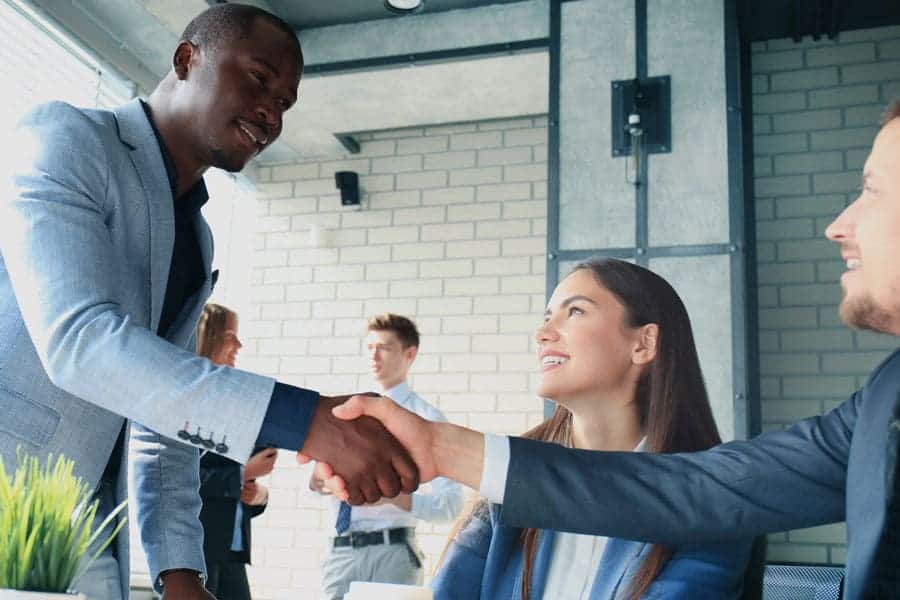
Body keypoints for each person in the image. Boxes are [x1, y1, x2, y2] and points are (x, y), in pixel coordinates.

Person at [309, 99, 900, 600]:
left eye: (871, 190)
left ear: (645, 343)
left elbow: (686, 496)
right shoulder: (881, 400)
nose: (838, 225)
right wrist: (442, 448)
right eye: (546, 316)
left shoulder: (709, 510)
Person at [0, 4, 416, 600]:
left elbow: (161, 418)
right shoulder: (67, 139)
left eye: (286, 102)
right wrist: (307, 421)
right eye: (258, 78)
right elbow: (80, 343)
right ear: (187, 58)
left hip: (85, 541)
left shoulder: (197, 237)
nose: (272, 111)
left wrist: (179, 573)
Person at [429, 259, 753, 599]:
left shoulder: (711, 500)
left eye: (575, 312)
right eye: (546, 317)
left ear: (643, 344)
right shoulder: (507, 487)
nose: (542, 334)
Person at [312, 314, 463, 600]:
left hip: (393, 556)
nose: (374, 355)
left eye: (384, 347)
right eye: (370, 347)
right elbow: (312, 487)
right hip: (340, 555)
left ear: (410, 354)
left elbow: (451, 505)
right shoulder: (346, 411)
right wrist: (321, 480)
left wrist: (393, 496)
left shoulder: (427, 420)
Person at [195, 304, 273, 599]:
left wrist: (260, 496)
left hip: (232, 551)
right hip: (200, 553)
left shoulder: (230, 402)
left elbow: (239, 488)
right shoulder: (188, 402)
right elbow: (182, 477)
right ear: (209, 336)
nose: (239, 345)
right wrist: (243, 473)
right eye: (231, 336)